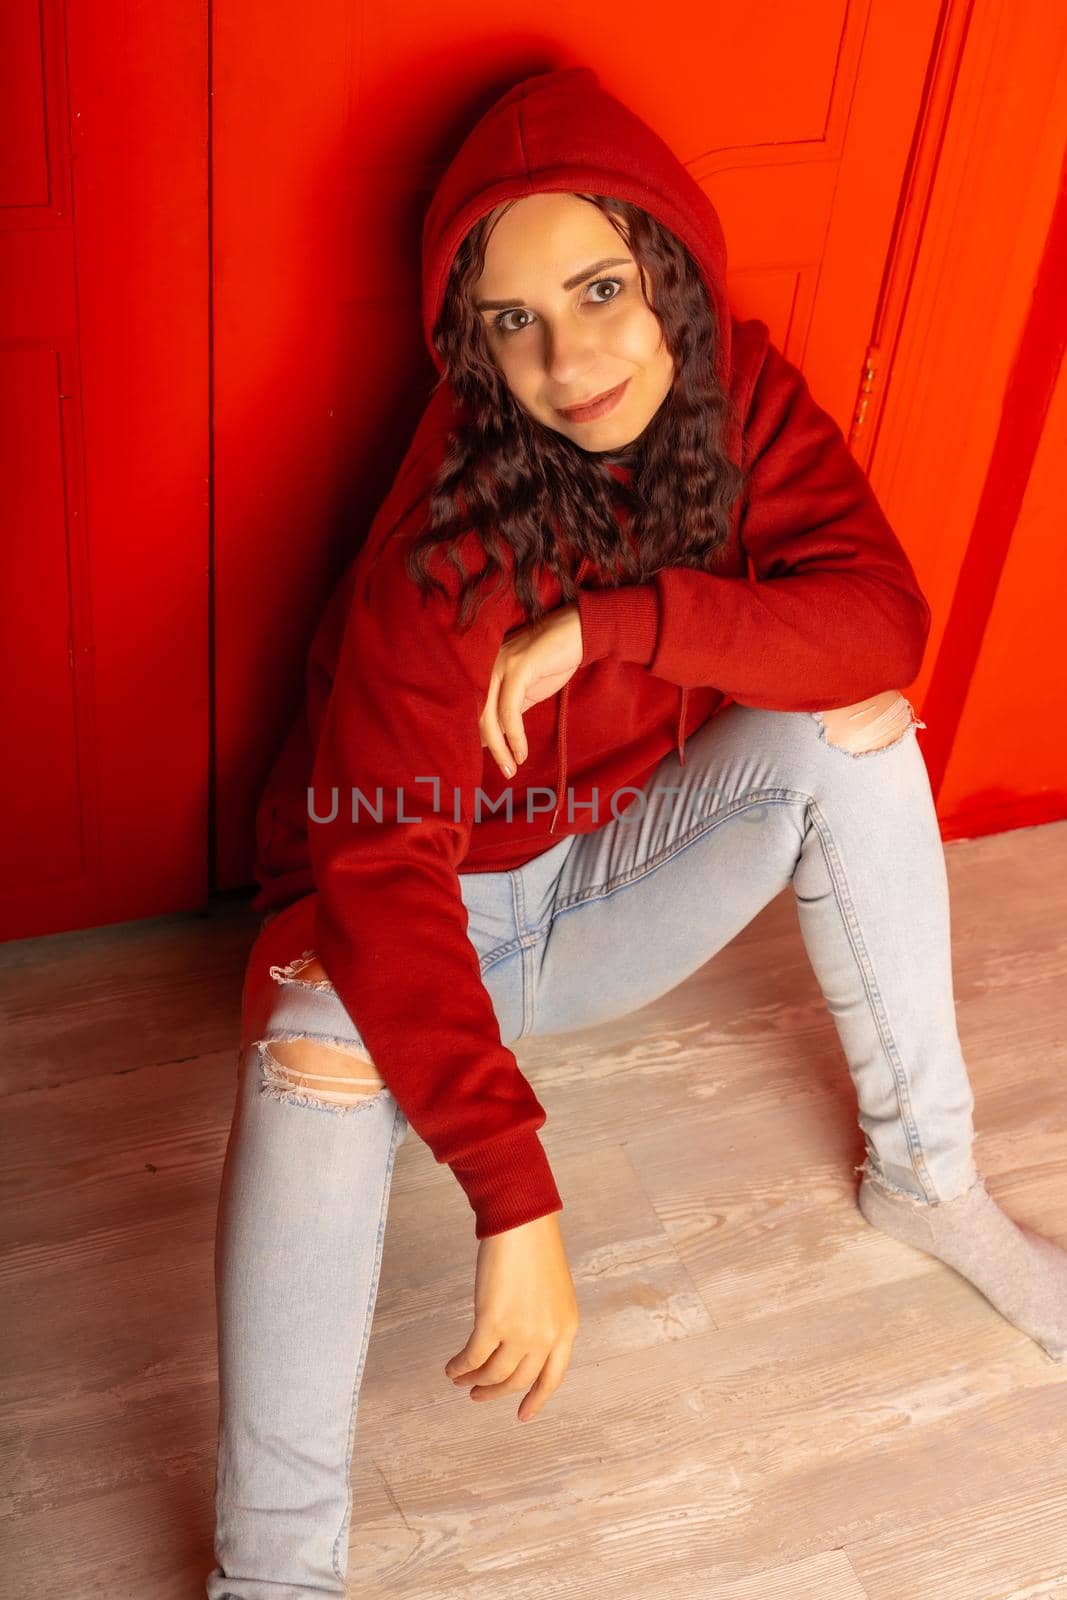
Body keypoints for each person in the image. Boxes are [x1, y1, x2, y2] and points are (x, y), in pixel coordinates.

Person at [205, 63, 1067, 1600]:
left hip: (604, 889)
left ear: (667, 266)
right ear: (470, 349)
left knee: (853, 720)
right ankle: (274, 1576)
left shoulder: (740, 394)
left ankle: (927, 1179)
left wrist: (623, 628)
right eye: (511, 320)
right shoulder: (437, 546)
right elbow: (375, 867)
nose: (571, 352)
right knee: (312, 1054)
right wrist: (513, 1189)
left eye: (600, 286)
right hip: (409, 918)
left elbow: (882, 623)